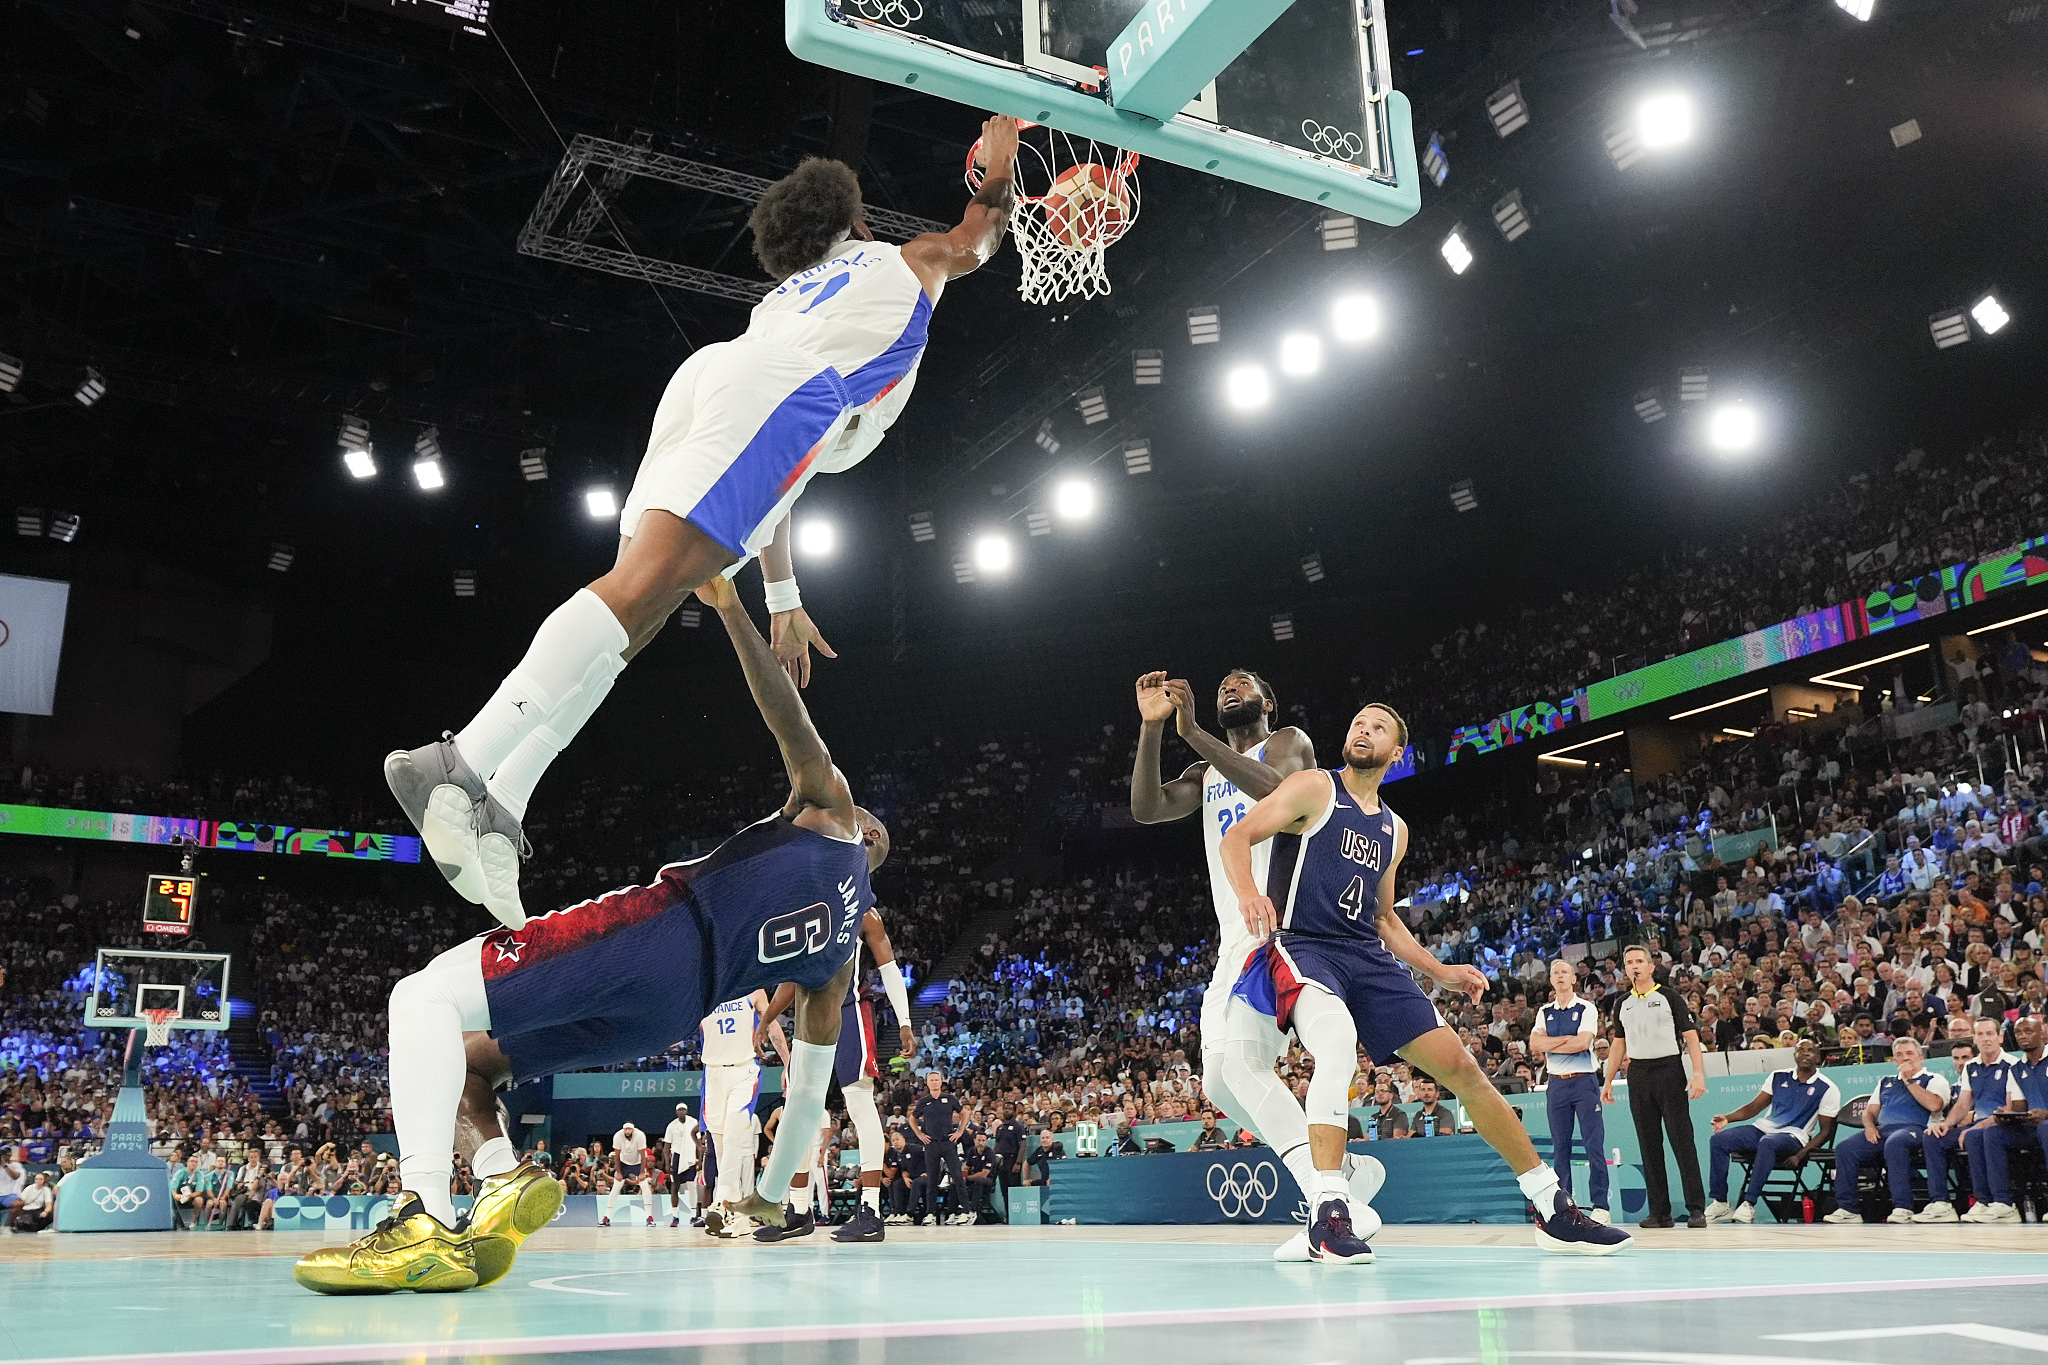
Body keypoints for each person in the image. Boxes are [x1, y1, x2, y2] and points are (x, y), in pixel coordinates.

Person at [379, 117, 1021, 933]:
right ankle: (456, 761)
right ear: (856, 224)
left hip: (715, 380)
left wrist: (783, 592)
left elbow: (787, 470)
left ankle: (504, 801)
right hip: (784, 394)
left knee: (636, 619)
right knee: (637, 592)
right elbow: (978, 237)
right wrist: (996, 169)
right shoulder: (904, 260)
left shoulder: (783, 300)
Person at [292, 573, 889, 1294]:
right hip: (671, 1012)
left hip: (657, 935)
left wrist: (731, 607)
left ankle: (419, 1214)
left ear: (863, 824)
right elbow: (805, 1091)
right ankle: (497, 1170)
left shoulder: (832, 812)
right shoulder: (842, 954)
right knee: (470, 1064)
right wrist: (767, 1193)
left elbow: (785, 713)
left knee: (420, 997)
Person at [1221, 703, 1629, 1262]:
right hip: (1303, 945)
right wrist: (1248, 892)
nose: (1362, 729)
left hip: (1364, 954)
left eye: (1378, 727)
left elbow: (1385, 919)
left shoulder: (1394, 830)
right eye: (1358, 722)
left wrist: (1442, 971)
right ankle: (1329, 1211)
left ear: (1396, 753)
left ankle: (1550, 1205)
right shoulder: (1314, 787)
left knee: (1463, 1068)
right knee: (1336, 1043)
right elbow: (1237, 837)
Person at [1129, 669, 1378, 1261]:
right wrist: (1152, 730)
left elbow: (1276, 791)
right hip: (1231, 940)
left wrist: (1191, 732)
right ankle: (1341, 1178)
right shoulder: (1205, 771)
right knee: (1217, 1079)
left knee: (1241, 1066)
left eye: (1243, 684)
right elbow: (1147, 808)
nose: (1228, 689)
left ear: (1268, 701)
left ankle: (1328, 1201)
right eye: (1222, 687)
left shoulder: (1288, 742)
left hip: (1283, 928)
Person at [755, 901, 916, 1243]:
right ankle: (798, 1212)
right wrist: (768, 1018)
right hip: (807, 1019)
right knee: (798, 1112)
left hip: (850, 1012)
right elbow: (791, 981)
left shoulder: (863, 913)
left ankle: (870, 1210)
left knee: (859, 1103)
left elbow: (889, 968)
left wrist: (904, 1022)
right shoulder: (804, 912)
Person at [1603, 945, 1709, 1229]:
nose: (1635, 966)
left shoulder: (1669, 997)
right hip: (1638, 1073)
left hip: (1669, 1069)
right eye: (1630, 962)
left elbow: (1690, 1036)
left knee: (1681, 1140)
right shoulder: (1621, 1003)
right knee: (1649, 1145)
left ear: (1651, 967)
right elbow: (1618, 1044)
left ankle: (1696, 1208)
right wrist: (1608, 1079)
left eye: (1640, 961)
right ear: (1625, 969)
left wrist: (1698, 1074)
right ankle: (1660, 1212)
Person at [1703, 1038, 1841, 1223]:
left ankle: (1749, 1204)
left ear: (1817, 1056)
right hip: (1763, 1130)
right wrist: (1728, 1118)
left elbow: (1826, 1132)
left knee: (1767, 1143)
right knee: (1719, 1140)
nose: (1805, 1053)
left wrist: (1800, 1155)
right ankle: (1721, 1203)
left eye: (1810, 1050)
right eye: (1801, 1050)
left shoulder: (1828, 1088)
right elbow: (1754, 1107)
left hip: (1794, 1137)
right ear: (1794, 1056)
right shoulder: (1778, 1077)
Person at [1825, 1036, 1951, 1224]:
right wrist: (1869, 1127)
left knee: (1896, 1143)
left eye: (1910, 1054)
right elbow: (1869, 1112)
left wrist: (1909, 1081)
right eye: (1899, 1055)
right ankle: (1848, 1209)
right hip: (1884, 1130)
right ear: (1894, 1060)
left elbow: (1934, 1105)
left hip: (1916, 1129)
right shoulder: (1886, 1082)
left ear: (1921, 1057)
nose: (1905, 1058)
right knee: (1845, 1148)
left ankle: (1903, 1207)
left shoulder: (1934, 1079)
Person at [1916, 1016, 2024, 1222]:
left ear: (2000, 1037)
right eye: (1980, 1034)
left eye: (1990, 1033)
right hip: (1979, 1124)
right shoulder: (1971, 1066)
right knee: (1933, 1137)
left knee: (1976, 1135)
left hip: (2004, 1124)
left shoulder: (2013, 1065)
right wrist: (1945, 1124)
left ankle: (1988, 1201)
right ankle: (1941, 1203)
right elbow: (1963, 1103)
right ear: (1974, 1038)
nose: (1985, 1039)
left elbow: (2011, 1108)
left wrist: (1977, 1126)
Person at [700, 989, 786, 1238]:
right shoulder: (703, 988)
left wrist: (788, 1063)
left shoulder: (754, 990)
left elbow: (771, 1026)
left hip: (744, 1071)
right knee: (721, 1146)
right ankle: (737, 1216)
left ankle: (721, 1202)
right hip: (712, 1073)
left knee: (733, 1137)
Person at [1531, 959, 1609, 1222]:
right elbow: (1534, 1044)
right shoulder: (1544, 1011)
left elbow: (1583, 1042)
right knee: (1560, 1147)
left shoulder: (1586, 1007)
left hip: (1584, 1081)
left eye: (1565, 972)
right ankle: (1565, 1205)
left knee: (1593, 1144)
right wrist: (1567, 1041)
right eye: (1556, 973)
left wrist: (1551, 1044)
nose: (1561, 976)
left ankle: (1601, 1205)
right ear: (1551, 980)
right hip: (1557, 1084)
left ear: (1574, 979)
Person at [1970, 1015, 2048, 1222]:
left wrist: (2045, 1114)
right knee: (1993, 1132)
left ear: (2043, 1033)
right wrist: (2008, 1116)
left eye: (2029, 1031)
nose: (2023, 1036)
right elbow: (2020, 1106)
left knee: (2046, 1127)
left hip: (2045, 1126)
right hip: (2032, 1127)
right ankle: (2004, 1204)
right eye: (2019, 1033)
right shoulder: (2016, 1069)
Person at [911, 1068, 970, 1226]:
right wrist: (919, 1134)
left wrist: (960, 1131)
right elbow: (912, 1118)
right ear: (927, 1083)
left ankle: (965, 1211)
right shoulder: (924, 1101)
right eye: (931, 1080)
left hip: (947, 1142)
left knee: (957, 1176)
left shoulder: (949, 1098)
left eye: (937, 1080)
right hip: (931, 1144)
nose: (934, 1082)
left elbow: (965, 1113)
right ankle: (930, 1214)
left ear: (941, 1082)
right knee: (931, 1180)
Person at [602, 1121, 653, 1228]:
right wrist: (619, 1172)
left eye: (629, 1129)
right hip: (623, 1163)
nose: (627, 1131)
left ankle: (649, 1217)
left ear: (633, 1130)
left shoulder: (640, 1135)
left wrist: (642, 1172)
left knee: (645, 1188)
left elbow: (644, 1156)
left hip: (638, 1163)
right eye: (626, 1129)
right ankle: (606, 1217)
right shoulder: (618, 1136)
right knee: (615, 1188)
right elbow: (616, 1155)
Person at [663, 1103, 702, 1230]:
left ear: (687, 1110)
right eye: (679, 1110)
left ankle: (693, 1215)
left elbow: (699, 1143)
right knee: (675, 1187)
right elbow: (666, 1147)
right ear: (676, 1112)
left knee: (692, 1186)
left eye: (683, 1109)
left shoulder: (693, 1122)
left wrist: (699, 1160)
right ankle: (675, 1216)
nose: (681, 1112)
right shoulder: (672, 1126)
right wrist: (668, 1164)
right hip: (677, 1157)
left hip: (690, 1156)